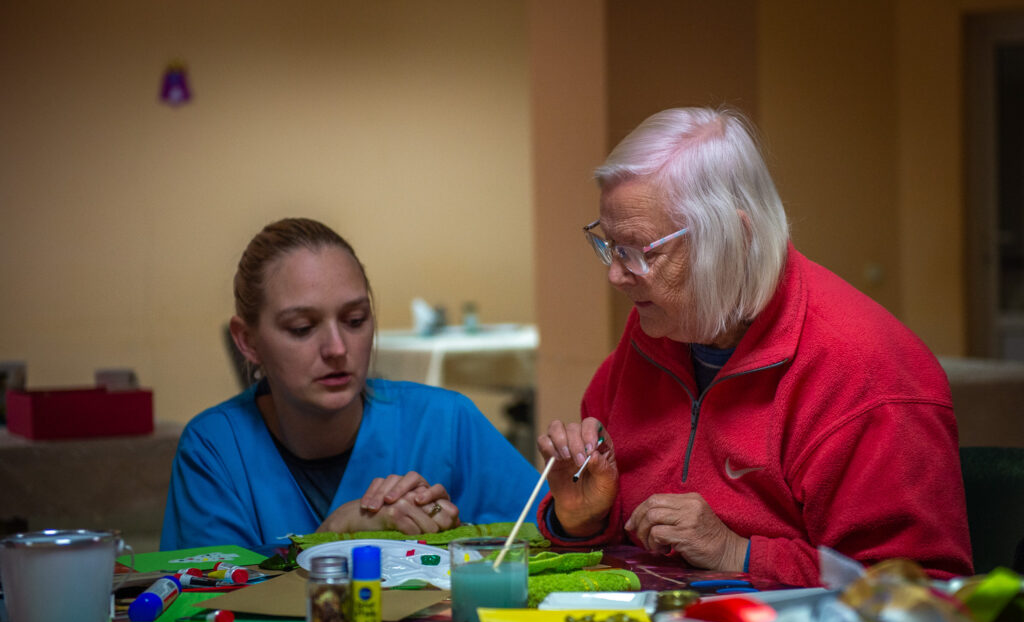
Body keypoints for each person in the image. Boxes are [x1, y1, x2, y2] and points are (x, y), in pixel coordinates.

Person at [535, 107, 973, 587]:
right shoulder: (660, 328)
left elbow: (917, 590)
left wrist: (738, 552)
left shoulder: (865, 369)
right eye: (609, 245)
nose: (616, 275)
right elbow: (619, 541)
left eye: (639, 251)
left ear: (734, 239)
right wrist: (583, 520)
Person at [161, 218, 545, 550]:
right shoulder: (215, 450)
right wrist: (336, 534)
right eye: (302, 328)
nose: (337, 348)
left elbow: (550, 534)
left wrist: (455, 539)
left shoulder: (445, 422)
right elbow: (203, 605)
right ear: (247, 341)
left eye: (355, 320)